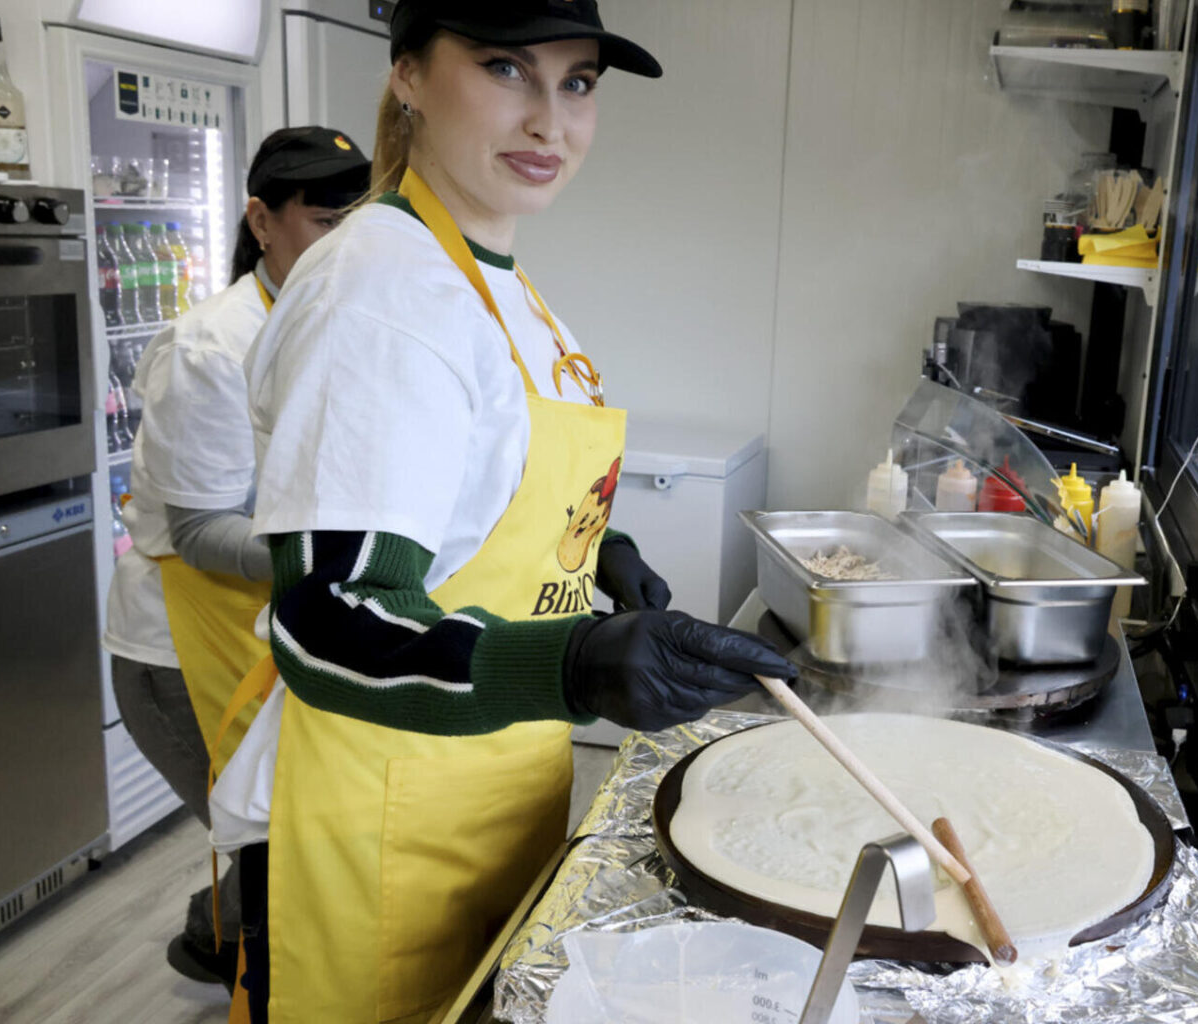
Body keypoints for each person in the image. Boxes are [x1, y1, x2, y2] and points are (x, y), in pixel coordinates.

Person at [209, 2, 797, 1020]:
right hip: (390, 821)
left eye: (577, 83)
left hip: (494, 790)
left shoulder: (502, 286)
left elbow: (476, 483)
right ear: (407, 75)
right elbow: (329, 623)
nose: (550, 121)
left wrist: (598, 547)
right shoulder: (376, 295)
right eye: (504, 69)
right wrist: (572, 660)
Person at [100, 126, 370, 989]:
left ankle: (222, 941)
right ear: (262, 219)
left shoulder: (336, 322)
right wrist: (349, 554)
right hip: (175, 652)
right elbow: (200, 534)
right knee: (271, 835)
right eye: (329, 223)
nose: (347, 247)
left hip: (262, 630)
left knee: (280, 829)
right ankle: (236, 959)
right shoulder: (210, 348)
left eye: (358, 225)